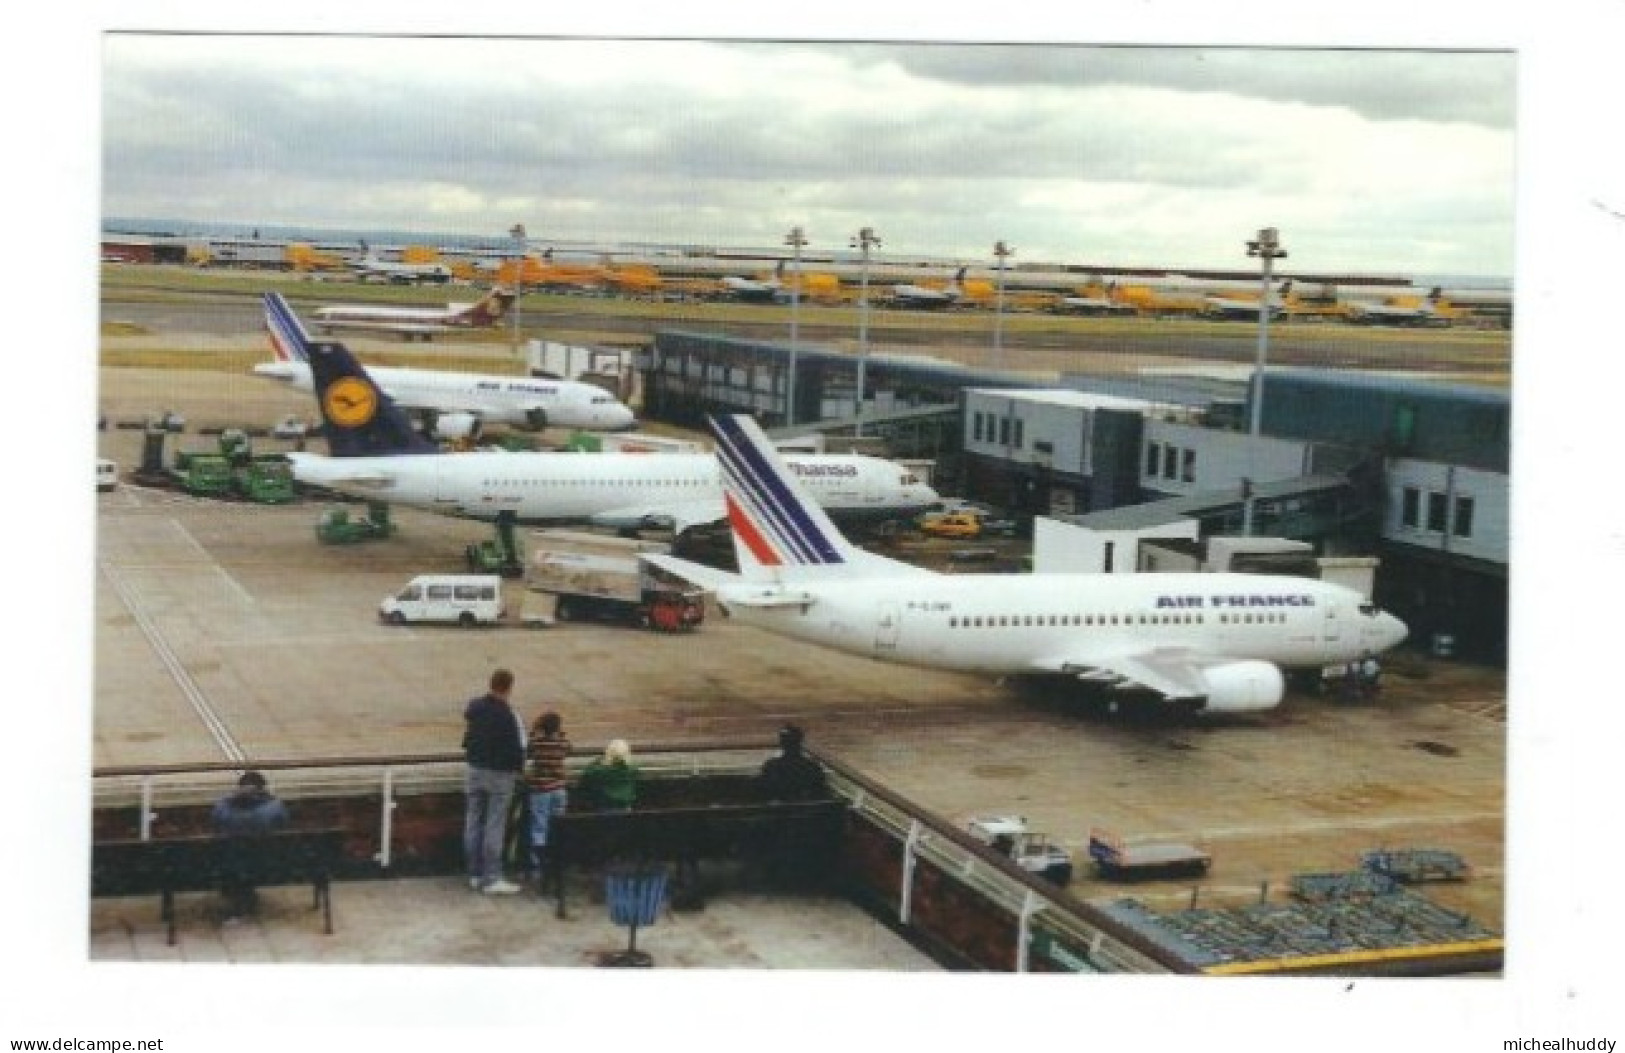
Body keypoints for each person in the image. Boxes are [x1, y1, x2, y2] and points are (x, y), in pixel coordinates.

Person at [462, 668, 525, 894]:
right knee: (495, 824)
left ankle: (475, 873)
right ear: (509, 688)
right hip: (500, 774)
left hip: (475, 769)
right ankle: (492, 877)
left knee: (473, 820)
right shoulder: (508, 715)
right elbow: (517, 747)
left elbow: (468, 738)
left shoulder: (475, 707)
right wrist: (518, 769)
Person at [210, 770, 290, 921]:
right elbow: (284, 821)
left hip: (228, 865)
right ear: (263, 789)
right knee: (249, 857)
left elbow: (215, 819)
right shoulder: (275, 807)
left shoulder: (224, 809)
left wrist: (230, 797)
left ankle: (238, 895)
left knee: (236, 857)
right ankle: (246, 895)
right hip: (270, 864)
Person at [524, 710, 570, 884]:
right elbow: (568, 747)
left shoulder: (537, 743)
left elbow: (527, 748)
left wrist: (535, 732)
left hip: (541, 790)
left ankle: (537, 864)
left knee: (539, 826)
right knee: (558, 825)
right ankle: (557, 859)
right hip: (559, 789)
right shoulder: (561, 743)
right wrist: (560, 734)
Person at [757, 724, 828, 801]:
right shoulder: (812, 767)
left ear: (782, 744)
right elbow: (821, 792)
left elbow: (763, 791)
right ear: (800, 743)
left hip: (780, 810)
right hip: (807, 810)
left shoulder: (771, 766)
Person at [578, 739, 638, 812]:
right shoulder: (631, 769)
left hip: (605, 806)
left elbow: (587, 775)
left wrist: (599, 760)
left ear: (608, 752)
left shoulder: (600, 770)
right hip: (625, 806)